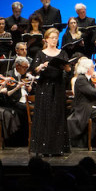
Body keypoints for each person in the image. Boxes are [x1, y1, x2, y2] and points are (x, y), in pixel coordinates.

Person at [30, 28, 70, 156]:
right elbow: (35, 70)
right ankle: (43, 148)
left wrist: (66, 67)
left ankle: (57, 148)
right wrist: (42, 66)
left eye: (56, 38)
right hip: (44, 87)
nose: (54, 40)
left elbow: (68, 69)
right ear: (46, 39)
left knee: (57, 115)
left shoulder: (62, 52)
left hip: (58, 86)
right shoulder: (40, 53)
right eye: (51, 37)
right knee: (45, 115)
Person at [68, 57, 96, 149]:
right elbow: (92, 91)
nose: (94, 69)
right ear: (87, 69)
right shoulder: (81, 79)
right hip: (84, 109)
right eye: (92, 67)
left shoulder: (87, 79)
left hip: (90, 107)